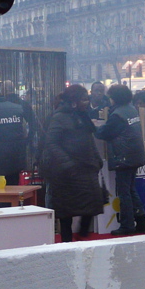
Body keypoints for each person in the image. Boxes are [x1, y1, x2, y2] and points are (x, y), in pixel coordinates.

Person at [39, 84, 104, 242]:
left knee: (94, 202)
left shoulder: (83, 115)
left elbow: (89, 140)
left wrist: (97, 159)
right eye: (83, 99)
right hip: (65, 172)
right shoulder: (59, 117)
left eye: (87, 98)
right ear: (74, 101)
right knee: (65, 210)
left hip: (86, 167)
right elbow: (52, 143)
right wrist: (67, 164)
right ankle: (66, 240)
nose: (86, 102)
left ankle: (82, 232)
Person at [94, 83, 145, 235]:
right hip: (135, 155)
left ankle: (127, 225)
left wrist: (93, 126)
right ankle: (141, 222)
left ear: (115, 98)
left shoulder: (117, 115)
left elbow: (103, 133)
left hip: (124, 157)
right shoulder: (131, 110)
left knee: (124, 192)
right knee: (131, 189)